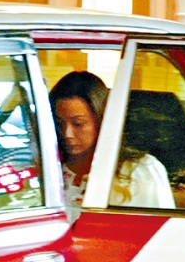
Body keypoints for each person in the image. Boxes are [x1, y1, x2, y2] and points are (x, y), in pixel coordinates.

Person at [48, 70, 171, 220]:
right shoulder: (49, 169)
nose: (67, 133)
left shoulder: (140, 171)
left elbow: (160, 232)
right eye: (59, 124)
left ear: (101, 120)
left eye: (78, 124)